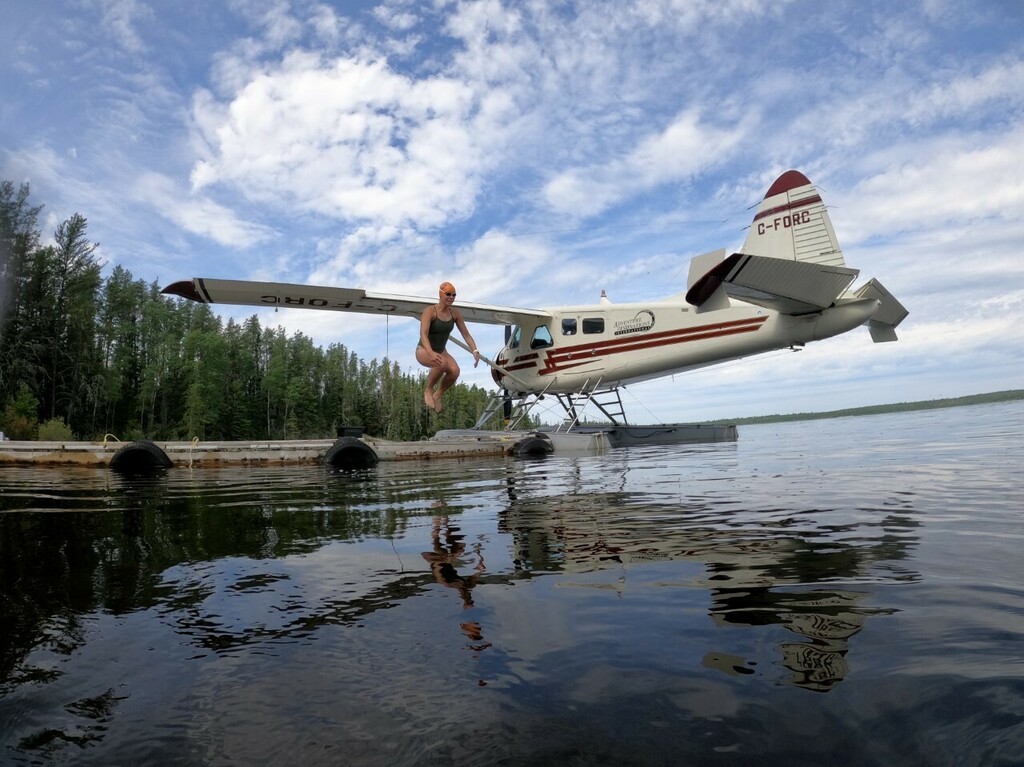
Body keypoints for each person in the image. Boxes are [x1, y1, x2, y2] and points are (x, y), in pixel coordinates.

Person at [416, 281, 480, 412]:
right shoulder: (430, 311)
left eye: (454, 295)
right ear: (441, 295)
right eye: (448, 294)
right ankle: (428, 389)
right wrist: (430, 352)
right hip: (423, 349)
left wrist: (475, 350)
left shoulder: (455, 313)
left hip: (441, 350)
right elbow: (423, 334)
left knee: (455, 371)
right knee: (441, 363)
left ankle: (437, 394)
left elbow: (466, 334)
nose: (451, 297)